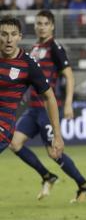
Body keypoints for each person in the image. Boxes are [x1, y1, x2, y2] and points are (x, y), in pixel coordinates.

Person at [8, 10, 86, 203]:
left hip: (47, 110)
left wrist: (69, 103)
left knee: (54, 152)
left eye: (45, 23)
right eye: (38, 23)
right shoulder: (35, 48)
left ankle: (84, 185)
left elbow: (69, 76)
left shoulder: (55, 47)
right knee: (14, 143)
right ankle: (47, 176)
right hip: (32, 109)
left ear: (52, 26)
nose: (41, 26)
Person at [0, 15, 64, 159]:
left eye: (13, 34)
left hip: (3, 127)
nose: (9, 39)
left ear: (19, 37)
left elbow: (49, 96)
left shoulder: (28, 64)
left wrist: (57, 134)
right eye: (4, 34)